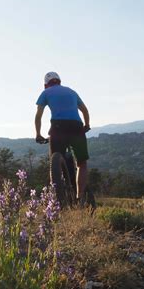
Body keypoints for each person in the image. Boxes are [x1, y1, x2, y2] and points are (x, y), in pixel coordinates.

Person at [35, 71, 91, 206]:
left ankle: (56, 197)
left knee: (55, 159)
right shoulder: (72, 92)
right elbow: (85, 111)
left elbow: (38, 116)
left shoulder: (45, 93)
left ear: (45, 85)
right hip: (76, 127)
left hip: (58, 127)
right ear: (59, 81)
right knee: (81, 163)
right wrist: (87, 125)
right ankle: (80, 196)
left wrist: (38, 134)